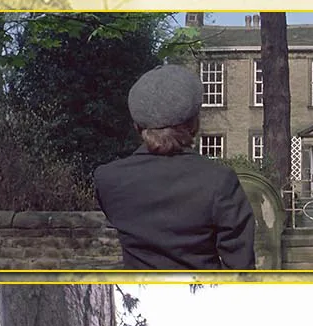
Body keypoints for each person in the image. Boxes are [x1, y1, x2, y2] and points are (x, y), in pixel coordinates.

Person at [93, 66, 255, 270]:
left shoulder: (107, 179)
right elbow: (241, 268)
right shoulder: (220, 181)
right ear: (194, 123)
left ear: (137, 126)